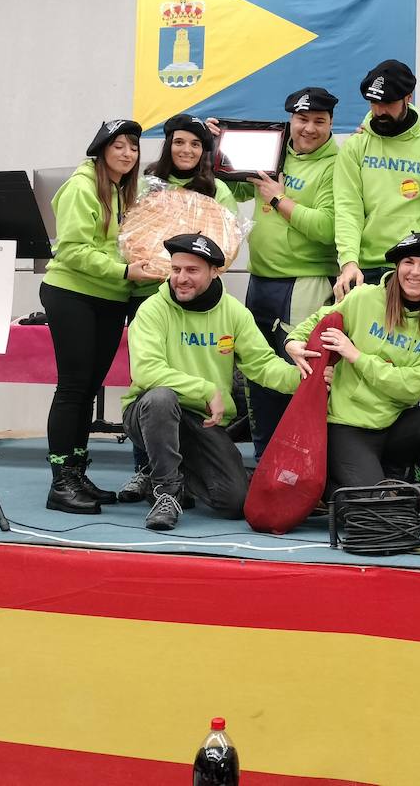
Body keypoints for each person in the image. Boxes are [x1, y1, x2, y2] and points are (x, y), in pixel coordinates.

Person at [121, 233, 301, 530]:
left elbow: (263, 366)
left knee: (234, 502)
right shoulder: (153, 309)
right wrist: (205, 389)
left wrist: (305, 380)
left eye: (192, 271)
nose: (181, 278)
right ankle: (167, 493)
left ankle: (171, 472)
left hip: (202, 420)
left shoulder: (234, 313)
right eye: (176, 269)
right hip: (148, 413)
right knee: (162, 398)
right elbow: (147, 372)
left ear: (214, 272)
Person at [40, 119, 163, 514]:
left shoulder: (127, 191)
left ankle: (76, 472)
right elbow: (72, 250)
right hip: (73, 293)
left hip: (111, 297)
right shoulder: (81, 187)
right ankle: (61, 481)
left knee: (89, 389)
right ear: (101, 149)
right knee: (73, 388)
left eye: (133, 148)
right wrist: (126, 271)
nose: (127, 154)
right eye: (119, 146)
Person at [119, 111, 241, 501]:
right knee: (151, 382)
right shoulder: (146, 184)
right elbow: (131, 236)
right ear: (168, 144)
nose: (186, 149)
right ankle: (146, 469)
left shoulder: (217, 190)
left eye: (195, 143)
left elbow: (226, 246)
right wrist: (156, 268)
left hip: (194, 302)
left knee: (185, 375)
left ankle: (180, 468)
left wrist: (188, 273)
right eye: (178, 141)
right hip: (147, 297)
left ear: (205, 150)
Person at [218, 87, 342, 458]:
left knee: (298, 368)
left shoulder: (338, 164)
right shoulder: (274, 151)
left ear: (331, 123)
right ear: (291, 119)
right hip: (261, 280)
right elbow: (238, 188)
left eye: (319, 121)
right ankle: (264, 457)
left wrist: (277, 198)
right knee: (259, 369)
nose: (309, 129)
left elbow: (327, 227)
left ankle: (298, 460)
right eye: (302, 119)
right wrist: (216, 146)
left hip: (304, 281)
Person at [286, 233, 420, 488]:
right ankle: (337, 482)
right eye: (408, 262)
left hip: (395, 422)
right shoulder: (364, 297)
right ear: (397, 266)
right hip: (348, 423)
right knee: (374, 505)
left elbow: (412, 386)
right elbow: (321, 319)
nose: (415, 272)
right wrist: (292, 341)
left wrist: (356, 356)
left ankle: (408, 473)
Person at [332, 59, 420, 297]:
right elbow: (347, 210)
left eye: (388, 103)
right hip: (366, 269)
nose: (380, 111)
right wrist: (348, 261)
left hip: (416, 269)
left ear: (408, 97)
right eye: (374, 103)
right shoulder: (355, 147)